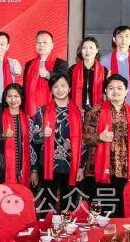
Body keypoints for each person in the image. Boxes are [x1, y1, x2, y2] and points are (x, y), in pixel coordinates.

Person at [83, 74, 130, 217]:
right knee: (99, 214)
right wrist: (99, 137)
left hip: (126, 171)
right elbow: (85, 138)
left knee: (120, 213)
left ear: (126, 91)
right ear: (105, 90)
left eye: (119, 88)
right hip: (97, 171)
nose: (115, 91)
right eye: (111, 88)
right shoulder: (95, 111)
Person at [30, 74, 85, 215]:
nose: (59, 90)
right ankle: (46, 229)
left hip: (72, 166)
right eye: (55, 86)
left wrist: (81, 167)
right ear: (51, 90)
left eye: (63, 86)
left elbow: (84, 143)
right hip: (48, 166)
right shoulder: (42, 111)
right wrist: (43, 134)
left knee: (69, 208)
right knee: (46, 206)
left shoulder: (80, 112)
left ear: (70, 88)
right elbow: (34, 141)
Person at [22, 31, 69, 117]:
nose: (41, 45)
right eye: (38, 42)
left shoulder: (61, 63)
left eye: (45, 42)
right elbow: (25, 88)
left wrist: (48, 75)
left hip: (54, 110)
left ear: (52, 45)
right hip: (31, 109)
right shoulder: (29, 64)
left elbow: (63, 85)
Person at [0, 84, 31, 186]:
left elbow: (32, 145)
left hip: (23, 167)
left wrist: (34, 170)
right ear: (5, 98)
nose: (13, 100)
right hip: (3, 167)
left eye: (16, 96)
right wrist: (4, 135)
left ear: (22, 97)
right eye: (9, 96)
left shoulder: (28, 118)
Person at [69, 36, 107, 111]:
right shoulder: (72, 70)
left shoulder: (104, 71)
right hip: (76, 110)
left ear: (97, 50)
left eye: (91, 47)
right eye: (84, 48)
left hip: (97, 111)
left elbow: (107, 93)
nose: (87, 51)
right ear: (80, 50)